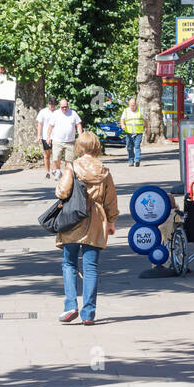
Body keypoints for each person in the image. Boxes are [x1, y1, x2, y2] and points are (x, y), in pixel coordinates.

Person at [56, 130, 118, 324]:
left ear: (79, 147)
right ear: (97, 147)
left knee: (69, 263)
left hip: (73, 219)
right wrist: (111, 221)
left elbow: (63, 192)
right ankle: (88, 313)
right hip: (96, 220)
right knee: (90, 267)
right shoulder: (104, 170)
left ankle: (71, 305)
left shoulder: (72, 167)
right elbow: (111, 200)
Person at [47, 98, 82, 175]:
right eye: (63, 107)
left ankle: (67, 174)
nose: (64, 108)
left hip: (70, 141)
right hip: (57, 141)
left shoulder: (73, 113)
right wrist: (48, 137)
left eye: (66, 106)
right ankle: (57, 171)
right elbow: (50, 126)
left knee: (69, 160)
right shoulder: (55, 114)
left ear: (68, 105)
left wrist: (80, 136)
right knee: (56, 158)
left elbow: (78, 124)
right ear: (59, 106)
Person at [35, 96, 58, 178]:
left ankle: (55, 170)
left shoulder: (58, 112)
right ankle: (47, 172)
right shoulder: (43, 112)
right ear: (48, 104)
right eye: (51, 105)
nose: (52, 107)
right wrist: (39, 135)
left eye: (54, 105)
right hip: (45, 136)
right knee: (47, 155)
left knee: (56, 155)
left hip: (56, 137)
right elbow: (40, 124)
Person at [120, 96, 144, 167]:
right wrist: (122, 125)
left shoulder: (141, 110)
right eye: (131, 105)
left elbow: (145, 120)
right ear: (129, 105)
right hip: (129, 133)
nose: (132, 106)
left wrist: (147, 128)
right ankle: (131, 161)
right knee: (129, 147)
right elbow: (122, 119)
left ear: (136, 104)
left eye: (133, 105)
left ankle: (137, 160)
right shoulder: (126, 111)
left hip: (138, 133)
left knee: (137, 146)